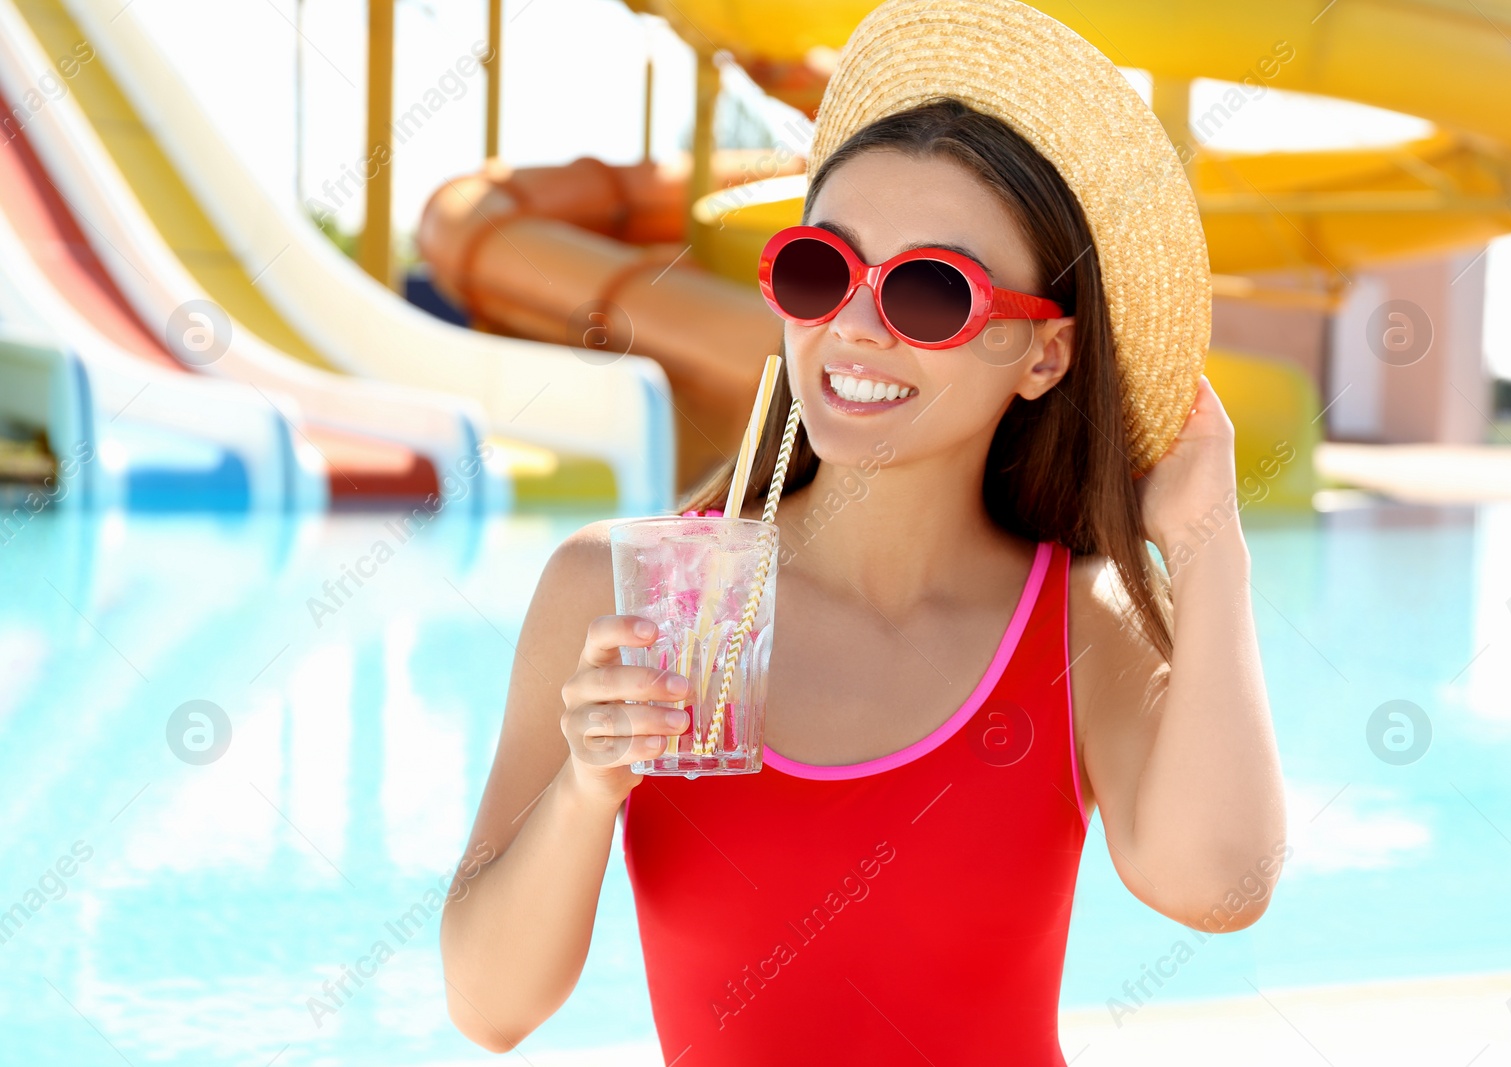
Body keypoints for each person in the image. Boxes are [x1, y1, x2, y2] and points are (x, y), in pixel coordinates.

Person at [440, 0, 1286, 1061]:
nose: (852, 323)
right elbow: (490, 1007)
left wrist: (1210, 545)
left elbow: (1220, 886)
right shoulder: (624, 594)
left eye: (932, 292)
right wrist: (586, 784)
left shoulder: (1075, 623)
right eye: (820, 269)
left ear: (1045, 356)